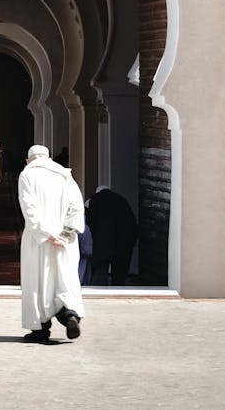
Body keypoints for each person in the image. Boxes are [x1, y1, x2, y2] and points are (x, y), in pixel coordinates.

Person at [18, 144, 85, 342]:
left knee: (37, 283)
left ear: (28, 159)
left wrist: (45, 233)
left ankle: (41, 330)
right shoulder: (64, 175)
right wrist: (67, 233)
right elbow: (76, 206)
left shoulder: (27, 175)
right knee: (65, 278)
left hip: (38, 241)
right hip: (64, 240)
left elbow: (29, 207)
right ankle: (70, 314)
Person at [86, 185, 138, 286]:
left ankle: (99, 292)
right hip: (123, 242)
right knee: (119, 275)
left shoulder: (94, 200)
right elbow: (132, 222)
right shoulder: (121, 200)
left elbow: (90, 221)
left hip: (103, 242)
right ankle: (117, 292)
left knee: (101, 271)